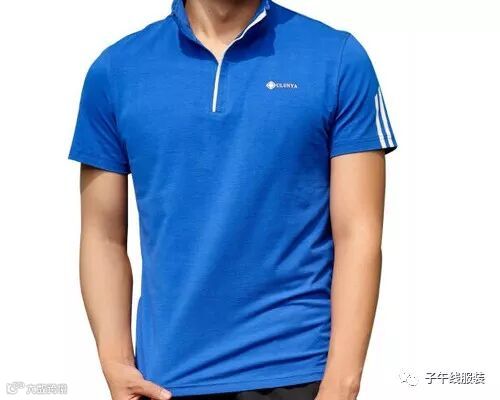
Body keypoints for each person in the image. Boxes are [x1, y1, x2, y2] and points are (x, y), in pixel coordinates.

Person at [68, 0, 397, 399]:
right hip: (166, 382)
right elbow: (101, 235)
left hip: (297, 373)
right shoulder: (116, 71)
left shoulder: (338, 58)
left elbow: (359, 233)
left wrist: (342, 384)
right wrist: (115, 362)